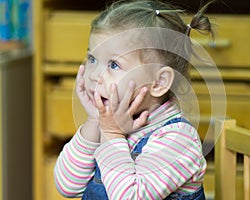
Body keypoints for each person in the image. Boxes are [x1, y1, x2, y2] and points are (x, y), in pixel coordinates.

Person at [54, 0, 214, 199]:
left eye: (113, 65)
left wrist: (112, 134)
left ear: (158, 82)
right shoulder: (108, 122)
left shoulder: (177, 138)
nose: (95, 75)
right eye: (92, 59)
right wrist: (94, 121)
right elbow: (68, 186)